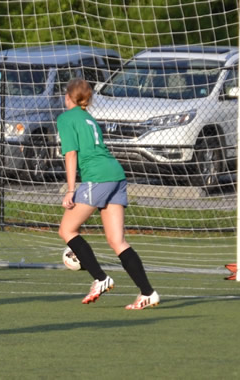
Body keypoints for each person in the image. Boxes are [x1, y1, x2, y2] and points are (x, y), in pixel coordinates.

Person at [56, 78, 159, 310]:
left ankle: (100, 278)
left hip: (98, 177)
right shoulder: (88, 118)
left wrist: (71, 189)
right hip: (116, 175)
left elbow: (70, 154)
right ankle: (147, 292)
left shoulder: (66, 118)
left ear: (68, 97)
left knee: (67, 229)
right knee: (116, 240)